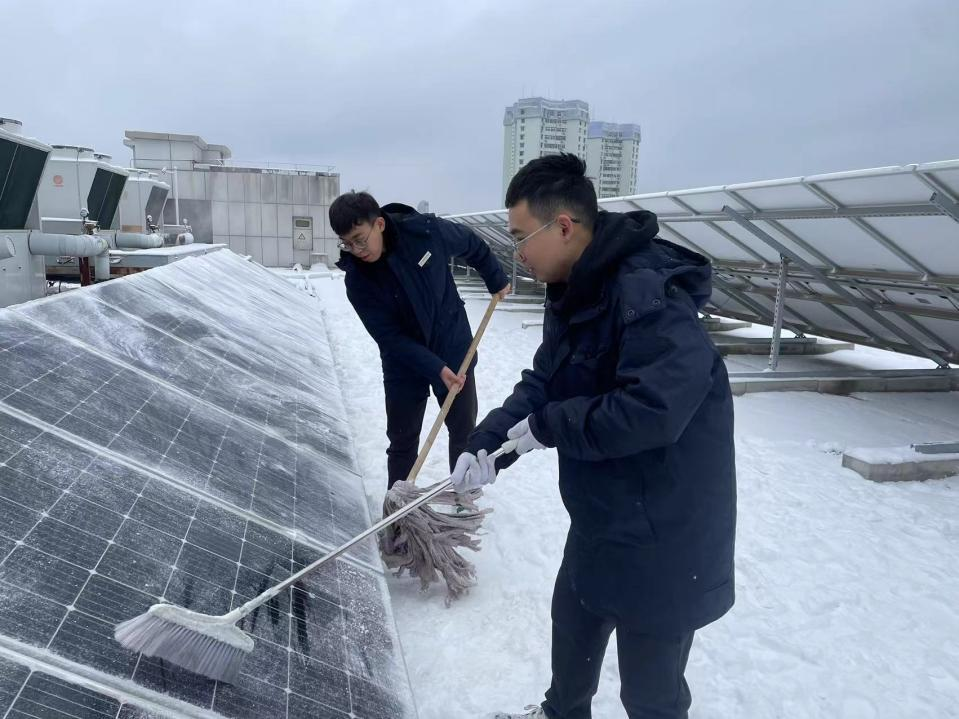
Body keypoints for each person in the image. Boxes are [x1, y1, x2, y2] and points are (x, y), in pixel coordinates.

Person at [450, 155, 737, 719]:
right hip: (603, 517)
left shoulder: (651, 297)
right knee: (572, 648)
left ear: (562, 227)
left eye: (520, 237)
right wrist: (487, 443)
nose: (518, 253)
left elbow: (654, 410)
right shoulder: (574, 290)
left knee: (652, 695)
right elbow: (545, 382)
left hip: (665, 533)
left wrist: (550, 426)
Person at [331, 191, 510, 489]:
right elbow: (390, 338)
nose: (356, 249)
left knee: (464, 431)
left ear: (379, 224)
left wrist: (496, 278)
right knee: (402, 441)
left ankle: (462, 497)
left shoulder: (426, 232)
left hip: (453, 347)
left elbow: (472, 244)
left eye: (360, 239)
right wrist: (435, 368)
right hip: (404, 363)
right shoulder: (357, 280)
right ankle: (399, 518)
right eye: (347, 243)